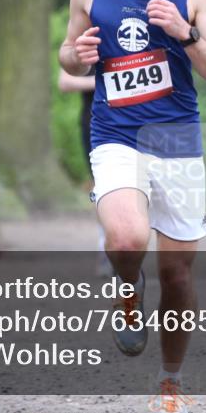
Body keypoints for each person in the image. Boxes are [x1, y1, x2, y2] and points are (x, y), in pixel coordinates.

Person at [59, 0, 206, 413]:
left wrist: (183, 34)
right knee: (129, 240)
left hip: (176, 141)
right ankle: (127, 291)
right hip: (115, 133)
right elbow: (68, 52)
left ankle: (170, 381)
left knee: (178, 275)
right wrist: (77, 55)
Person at [57, 69, 112, 276]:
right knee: (103, 186)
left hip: (140, 122)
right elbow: (65, 82)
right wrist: (105, 81)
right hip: (96, 122)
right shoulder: (90, 36)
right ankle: (105, 246)